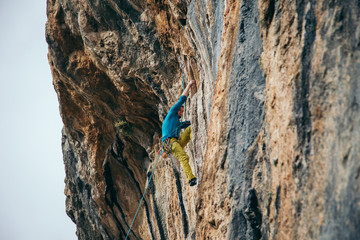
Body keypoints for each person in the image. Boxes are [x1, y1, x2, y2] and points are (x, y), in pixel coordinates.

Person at [162, 79, 197, 186]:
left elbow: (187, 124)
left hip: (175, 142)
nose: (181, 112)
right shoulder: (172, 112)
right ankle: (190, 179)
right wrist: (190, 85)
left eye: (182, 111)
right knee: (183, 157)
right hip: (170, 143)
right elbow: (182, 98)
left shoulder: (177, 123)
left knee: (190, 129)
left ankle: (195, 142)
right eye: (180, 110)